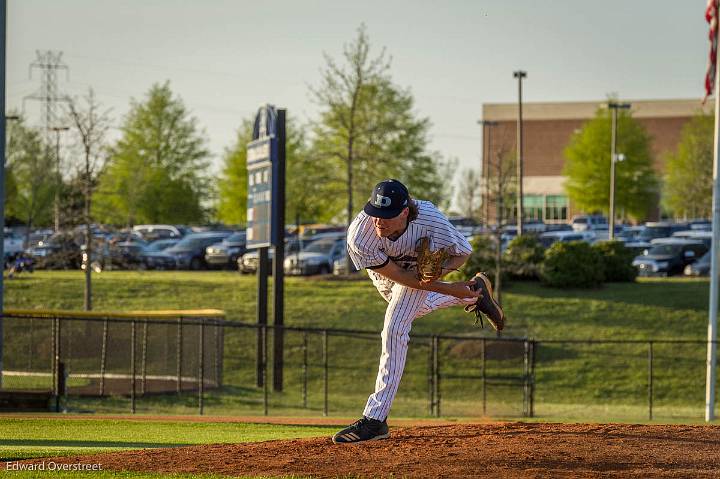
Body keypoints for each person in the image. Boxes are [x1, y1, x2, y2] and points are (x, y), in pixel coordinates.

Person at [332, 179, 505, 444]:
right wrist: (452, 290)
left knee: (394, 328)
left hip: (417, 272)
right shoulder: (360, 235)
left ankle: (375, 420)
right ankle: (474, 292)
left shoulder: (430, 218)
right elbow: (400, 276)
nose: (379, 222)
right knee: (407, 312)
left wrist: (438, 272)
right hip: (390, 276)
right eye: (375, 213)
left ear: (405, 212)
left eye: (387, 216)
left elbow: (462, 253)